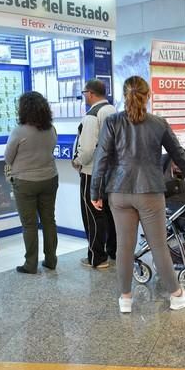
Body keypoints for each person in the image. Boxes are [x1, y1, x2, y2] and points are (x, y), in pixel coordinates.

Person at [90, 76, 185, 314]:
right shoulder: (158, 123)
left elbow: (101, 158)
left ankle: (125, 299)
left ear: (124, 95)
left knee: (124, 246)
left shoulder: (112, 122)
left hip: (118, 192)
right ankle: (176, 295)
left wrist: (95, 191)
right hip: (150, 192)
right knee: (159, 245)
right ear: (148, 96)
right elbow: (179, 154)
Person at [4, 91, 59, 274]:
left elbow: (8, 157)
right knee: (49, 220)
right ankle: (51, 260)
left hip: (25, 182)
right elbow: (51, 148)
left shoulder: (19, 131)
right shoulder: (51, 129)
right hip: (50, 179)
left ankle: (30, 264)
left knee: (29, 224)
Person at [72, 79, 117, 269]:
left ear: (90, 93)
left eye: (85, 94)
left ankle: (97, 258)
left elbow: (88, 149)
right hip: (113, 172)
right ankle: (113, 251)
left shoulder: (92, 115)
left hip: (92, 173)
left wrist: (77, 161)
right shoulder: (114, 111)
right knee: (111, 214)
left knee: (92, 215)